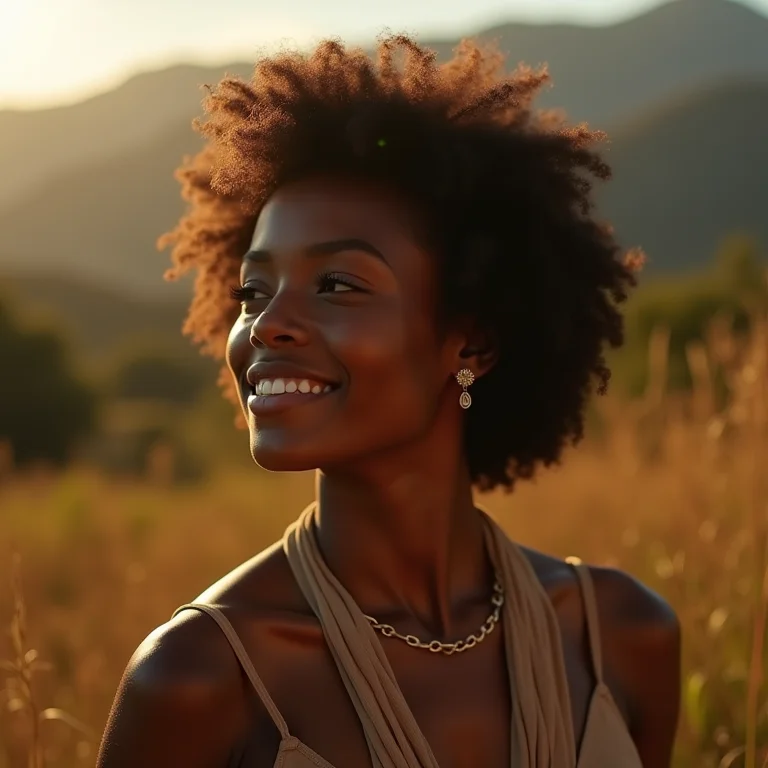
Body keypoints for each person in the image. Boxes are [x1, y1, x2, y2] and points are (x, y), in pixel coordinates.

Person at [97, 33, 680, 768]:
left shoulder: (621, 636)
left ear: (470, 344)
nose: (268, 321)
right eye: (254, 290)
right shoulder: (201, 679)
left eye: (338, 284)